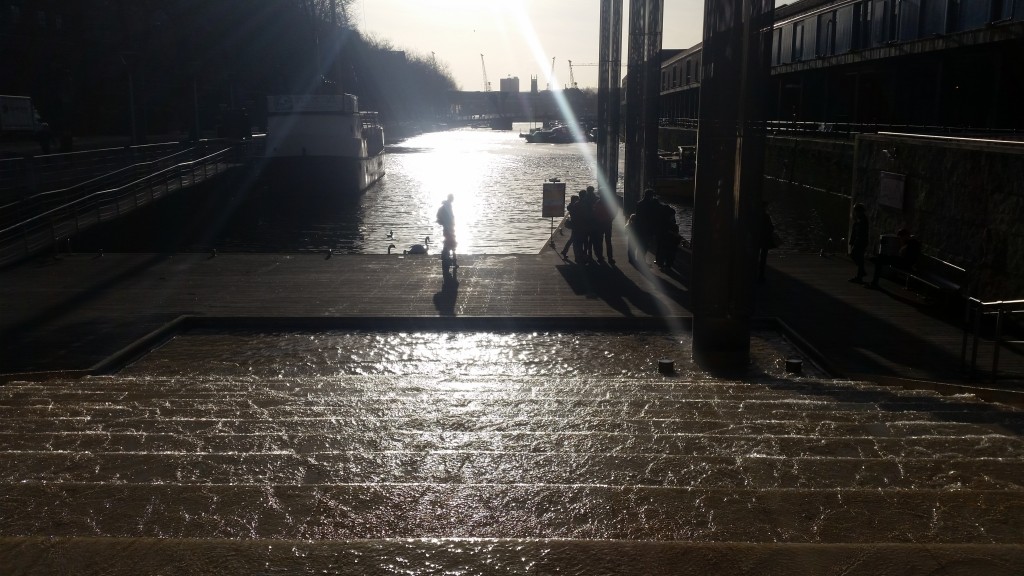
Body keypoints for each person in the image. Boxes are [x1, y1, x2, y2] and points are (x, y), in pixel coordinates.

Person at [633, 189, 661, 266]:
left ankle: (640, 260)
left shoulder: (639, 204)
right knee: (645, 245)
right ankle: (642, 260)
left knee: (641, 244)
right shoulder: (651, 204)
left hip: (640, 227)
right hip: (648, 228)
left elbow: (638, 216)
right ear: (650, 196)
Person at [848, 203, 869, 283]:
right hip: (858, 241)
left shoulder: (863, 220)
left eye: (856, 211)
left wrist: (854, 242)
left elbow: (861, 233)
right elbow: (854, 232)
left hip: (861, 242)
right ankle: (861, 273)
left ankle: (860, 274)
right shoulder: (859, 219)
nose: (855, 213)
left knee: (856, 256)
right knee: (858, 258)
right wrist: (851, 242)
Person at [436, 194, 458, 271]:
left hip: (449, 227)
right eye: (452, 198)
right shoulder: (446, 207)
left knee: (449, 242)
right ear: (450, 199)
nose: (453, 200)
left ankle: (448, 258)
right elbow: (447, 217)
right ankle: (447, 258)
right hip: (448, 227)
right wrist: (447, 224)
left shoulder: (447, 206)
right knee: (449, 242)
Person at [757, 202, 775, 281]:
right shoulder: (766, 216)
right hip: (764, 239)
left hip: (757, 238)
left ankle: (755, 273)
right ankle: (761, 274)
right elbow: (771, 227)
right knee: (763, 257)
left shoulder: (756, 216)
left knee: (755, 256)